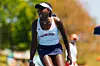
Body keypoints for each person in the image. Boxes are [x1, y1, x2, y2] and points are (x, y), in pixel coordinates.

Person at [29, 2, 72, 66]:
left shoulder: (57, 21)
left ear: (48, 10)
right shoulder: (35, 24)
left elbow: (65, 38)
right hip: (43, 50)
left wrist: (69, 54)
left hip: (56, 48)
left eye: (41, 9)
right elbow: (34, 43)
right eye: (38, 9)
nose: (39, 11)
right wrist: (31, 60)